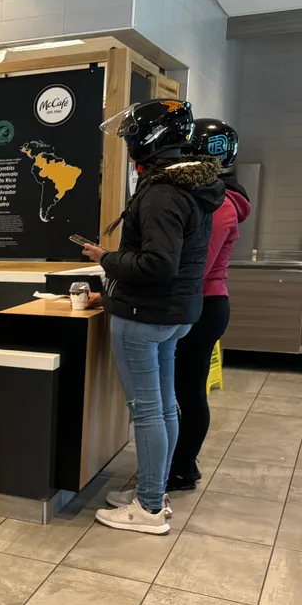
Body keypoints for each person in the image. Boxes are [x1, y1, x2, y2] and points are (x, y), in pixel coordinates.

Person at [82, 100, 224, 535]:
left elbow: (157, 264)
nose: (126, 144)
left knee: (148, 412)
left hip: (147, 315)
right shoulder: (189, 185)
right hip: (175, 313)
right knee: (162, 409)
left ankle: (147, 508)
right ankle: (152, 491)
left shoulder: (161, 192)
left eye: (129, 137)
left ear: (148, 140)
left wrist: (108, 259)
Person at [167, 119, 251, 491]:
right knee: (186, 388)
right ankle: (182, 463)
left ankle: (182, 468)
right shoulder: (214, 197)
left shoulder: (217, 203)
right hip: (203, 302)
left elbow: (195, 267)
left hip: (203, 305)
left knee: (188, 391)